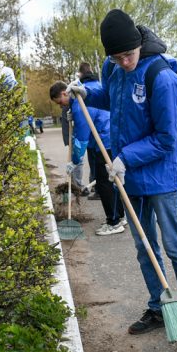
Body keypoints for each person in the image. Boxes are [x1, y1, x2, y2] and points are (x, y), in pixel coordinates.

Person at [67, 9, 177, 338]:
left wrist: (126, 157)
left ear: (139, 45)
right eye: (116, 58)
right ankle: (159, 306)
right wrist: (88, 93)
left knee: (174, 246)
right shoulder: (113, 69)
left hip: (159, 175)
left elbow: (167, 139)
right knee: (145, 246)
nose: (124, 63)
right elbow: (114, 100)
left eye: (128, 55)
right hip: (127, 176)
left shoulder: (162, 78)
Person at [50, 81, 126, 236]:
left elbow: (82, 139)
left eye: (60, 102)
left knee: (104, 183)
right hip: (109, 139)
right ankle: (119, 217)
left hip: (104, 142)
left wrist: (75, 161)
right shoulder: (78, 101)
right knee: (111, 181)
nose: (60, 106)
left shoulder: (79, 105)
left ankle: (114, 222)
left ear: (65, 93)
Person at [78, 62, 100, 199]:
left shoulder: (84, 90)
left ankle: (99, 191)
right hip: (104, 134)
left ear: (80, 74)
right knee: (100, 167)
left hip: (97, 136)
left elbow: (84, 123)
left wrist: (76, 156)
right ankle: (98, 189)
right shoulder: (99, 85)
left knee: (98, 166)